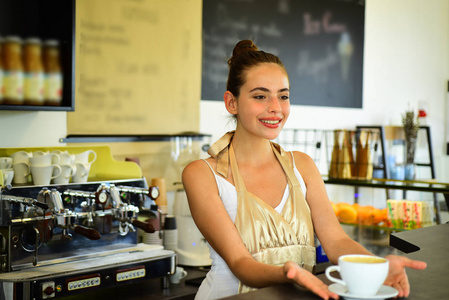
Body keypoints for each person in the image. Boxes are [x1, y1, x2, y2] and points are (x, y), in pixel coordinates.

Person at [182, 40, 427, 300]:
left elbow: (336, 242)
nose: (275, 107)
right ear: (232, 103)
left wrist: (376, 267)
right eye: (260, 96)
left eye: (283, 96)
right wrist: (287, 273)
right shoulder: (202, 174)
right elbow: (241, 264)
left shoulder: (302, 166)